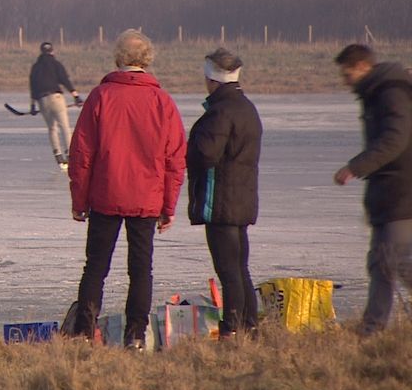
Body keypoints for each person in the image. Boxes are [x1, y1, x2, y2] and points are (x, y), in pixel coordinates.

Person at [67, 30, 186, 350]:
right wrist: (168, 206)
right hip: (146, 200)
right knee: (141, 270)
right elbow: (175, 158)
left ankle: (83, 332)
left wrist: (79, 200)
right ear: (147, 58)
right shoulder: (162, 101)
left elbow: (81, 153)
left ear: (118, 57)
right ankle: (135, 334)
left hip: (106, 195)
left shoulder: (101, 96)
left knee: (95, 267)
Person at [333, 44, 412, 334]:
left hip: (401, 190)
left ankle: (373, 329)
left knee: (397, 260)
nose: (345, 81)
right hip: (387, 193)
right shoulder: (376, 93)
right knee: (381, 262)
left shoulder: (390, 92)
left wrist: (357, 166)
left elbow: (396, 139)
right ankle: (371, 331)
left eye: (348, 73)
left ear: (363, 67)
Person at [186, 48, 263, 338]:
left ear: (211, 79)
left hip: (222, 202)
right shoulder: (246, 107)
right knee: (240, 268)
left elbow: (205, 153)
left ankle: (231, 329)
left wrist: (186, 150)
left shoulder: (221, 112)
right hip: (242, 199)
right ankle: (250, 326)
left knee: (229, 270)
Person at [29, 42, 83, 170]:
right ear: (52, 51)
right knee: (64, 126)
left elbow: (33, 87)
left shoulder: (36, 67)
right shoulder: (56, 64)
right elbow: (65, 80)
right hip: (57, 98)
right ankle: (70, 154)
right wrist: (76, 96)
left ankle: (58, 156)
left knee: (52, 128)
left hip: (42, 100)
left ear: (41, 52)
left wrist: (32, 105)